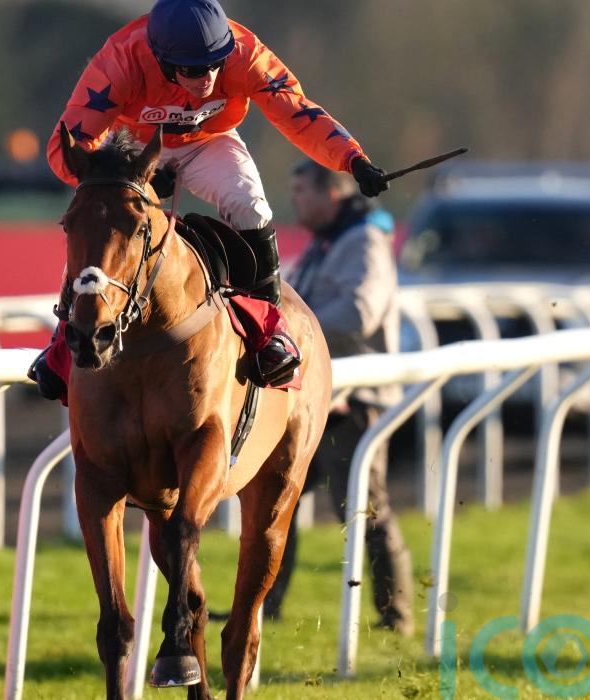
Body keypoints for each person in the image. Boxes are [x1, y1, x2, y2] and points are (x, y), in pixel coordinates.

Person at [28, 0, 395, 401]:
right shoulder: (120, 62)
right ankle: (62, 344)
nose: (207, 79)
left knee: (251, 205)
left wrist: (352, 160)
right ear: (162, 61)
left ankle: (270, 333)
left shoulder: (245, 53)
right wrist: (130, 176)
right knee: (102, 219)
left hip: (209, 140)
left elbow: (296, 111)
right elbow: (66, 150)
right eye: (192, 70)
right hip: (135, 148)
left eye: (214, 65)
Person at [262, 158, 414, 632]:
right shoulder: (329, 241)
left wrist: (294, 331)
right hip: (317, 398)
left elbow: (360, 312)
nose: (294, 201)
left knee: (366, 511)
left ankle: (398, 617)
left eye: (301, 191)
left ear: (331, 193)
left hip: (356, 401)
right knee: (273, 500)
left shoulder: (364, 241)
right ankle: (263, 606)